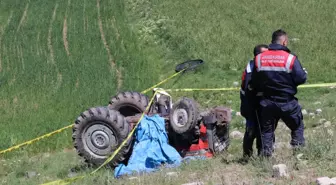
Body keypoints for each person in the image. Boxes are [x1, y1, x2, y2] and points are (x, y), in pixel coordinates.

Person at [250, 29, 307, 157]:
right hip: (287, 102)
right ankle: (299, 155)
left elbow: (254, 80)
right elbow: (301, 78)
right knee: (297, 126)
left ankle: (266, 157)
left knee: (267, 131)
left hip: (267, 102)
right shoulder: (290, 59)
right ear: (285, 42)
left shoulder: (259, 58)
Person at [240, 44, 268, 158]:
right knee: (252, 129)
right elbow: (250, 88)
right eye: (266, 54)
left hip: (260, 102)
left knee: (264, 128)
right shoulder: (252, 67)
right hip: (250, 103)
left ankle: (262, 153)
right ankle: (247, 155)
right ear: (258, 55)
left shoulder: (262, 65)